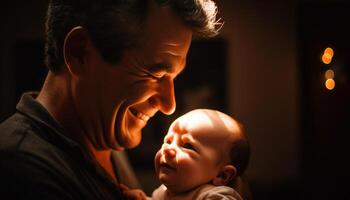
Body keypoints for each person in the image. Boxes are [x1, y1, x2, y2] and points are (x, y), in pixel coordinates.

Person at [0, 0, 222, 199]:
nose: (169, 105)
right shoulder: (19, 170)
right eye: (155, 75)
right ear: (80, 53)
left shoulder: (106, 138)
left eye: (173, 78)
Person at [122, 109, 250, 200]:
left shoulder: (216, 195)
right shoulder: (163, 192)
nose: (167, 149)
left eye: (187, 146)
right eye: (168, 141)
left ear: (222, 175)